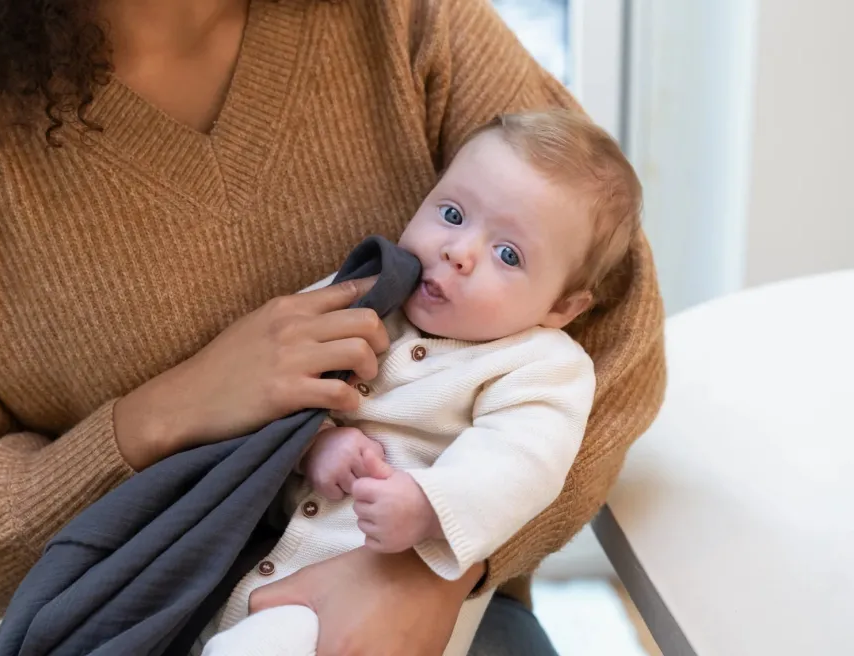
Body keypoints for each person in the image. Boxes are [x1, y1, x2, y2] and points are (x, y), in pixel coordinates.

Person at [0, 0, 665, 654]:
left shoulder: (404, 19)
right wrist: (164, 417)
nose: (459, 253)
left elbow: (619, 342)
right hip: (152, 622)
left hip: (446, 619)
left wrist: (434, 565)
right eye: (452, 217)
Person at [200, 110, 640, 656]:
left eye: (508, 255)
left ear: (561, 307)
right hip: (262, 576)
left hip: (389, 609)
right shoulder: (368, 296)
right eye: (452, 213)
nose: (459, 252)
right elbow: (274, 390)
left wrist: (431, 504)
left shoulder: (539, 363)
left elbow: (524, 460)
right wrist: (314, 445)